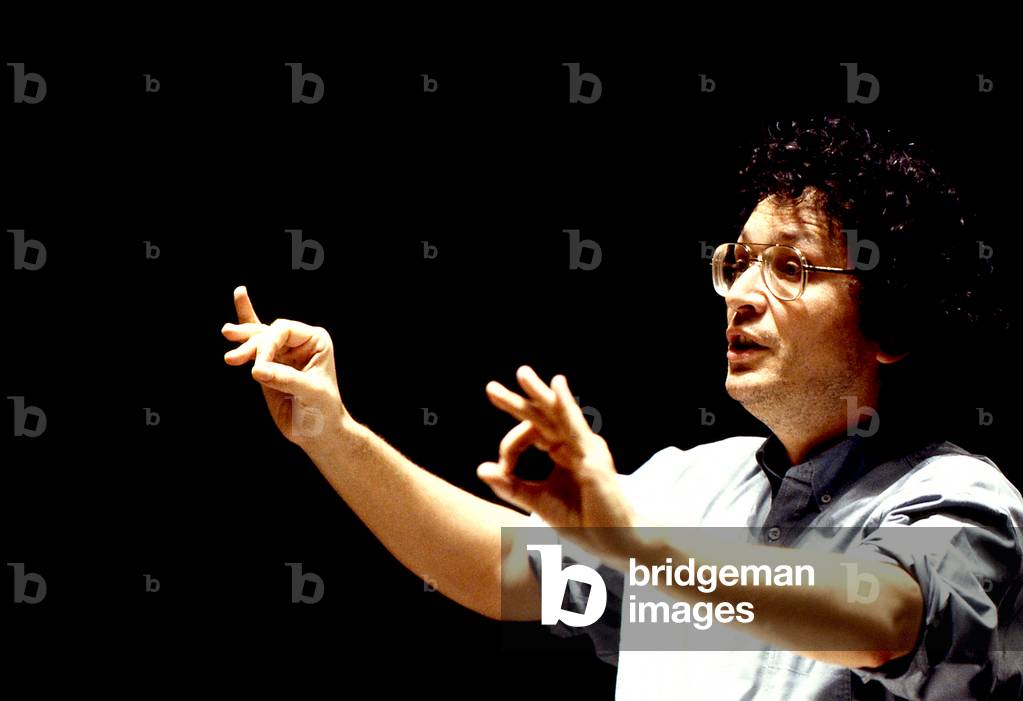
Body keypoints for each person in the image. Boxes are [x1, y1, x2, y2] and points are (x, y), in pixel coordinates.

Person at [222, 115, 1022, 699]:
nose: (740, 295)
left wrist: (641, 544)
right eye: (737, 262)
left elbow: (882, 616)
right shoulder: (688, 483)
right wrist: (335, 435)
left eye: (789, 267)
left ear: (893, 320)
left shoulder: (955, 497)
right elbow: (503, 573)